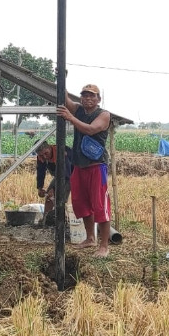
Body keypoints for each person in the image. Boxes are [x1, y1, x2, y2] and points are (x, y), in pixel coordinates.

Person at [57, 83, 112, 258]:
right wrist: (62, 78)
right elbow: (65, 99)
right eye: (85, 95)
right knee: (81, 203)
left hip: (96, 166)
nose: (88, 98)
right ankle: (90, 238)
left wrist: (70, 117)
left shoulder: (103, 115)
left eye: (92, 95)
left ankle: (104, 246)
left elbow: (90, 130)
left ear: (98, 99)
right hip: (79, 165)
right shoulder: (79, 110)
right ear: (81, 98)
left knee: (100, 205)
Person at [35, 141, 71, 225]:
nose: (44, 157)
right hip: (58, 176)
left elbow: (66, 173)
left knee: (60, 198)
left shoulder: (61, 152)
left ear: (49, 148)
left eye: (46, 153)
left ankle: (62, 221)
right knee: (49, 197)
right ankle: (45, 220)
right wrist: (40, 187)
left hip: (70, 174)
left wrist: (54, 189)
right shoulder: (41, 158)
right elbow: (40, 172)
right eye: (41, 155)